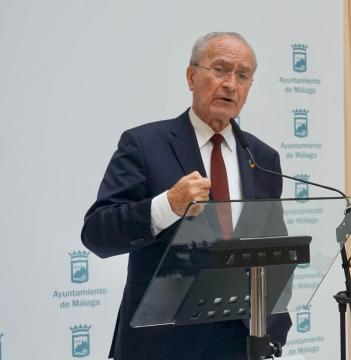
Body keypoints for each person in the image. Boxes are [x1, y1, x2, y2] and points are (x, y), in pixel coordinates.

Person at [81, 32, 291, 360]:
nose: (230, 84)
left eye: (243, 75)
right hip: (162, 342)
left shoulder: (262, 158)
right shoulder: (145, 144)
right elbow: (98, 232)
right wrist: (167, 206)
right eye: (220, 69)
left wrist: (271, 334)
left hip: (240, 341)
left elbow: (275, 253)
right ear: (191, 76)